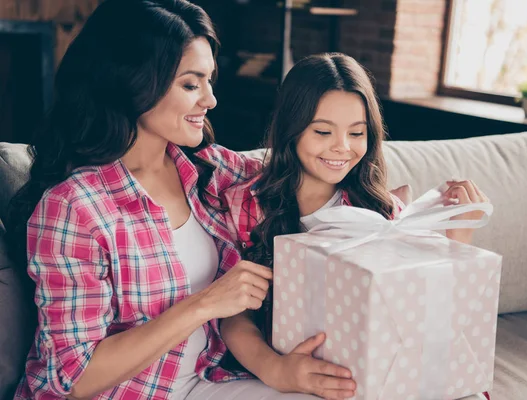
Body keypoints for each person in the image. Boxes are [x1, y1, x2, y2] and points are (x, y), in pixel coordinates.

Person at [5, 1, 312, 399]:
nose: (211, 100)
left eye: (209, 81)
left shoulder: (207, 169)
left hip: (206, 380)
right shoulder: (74, 207)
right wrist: (204, 304)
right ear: (133, 83)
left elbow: (298, 178)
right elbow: (73, 379)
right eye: (191, 84)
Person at [220, 53, 490, 399]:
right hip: (279, 370)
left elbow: (424, 312)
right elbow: (233, 316)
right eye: (322, 131)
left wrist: (459, 238)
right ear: (291, 129)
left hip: (371, 371)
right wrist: (277, 370)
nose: (342, 148)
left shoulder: (380, 211)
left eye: (357, 133)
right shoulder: (249, 206)